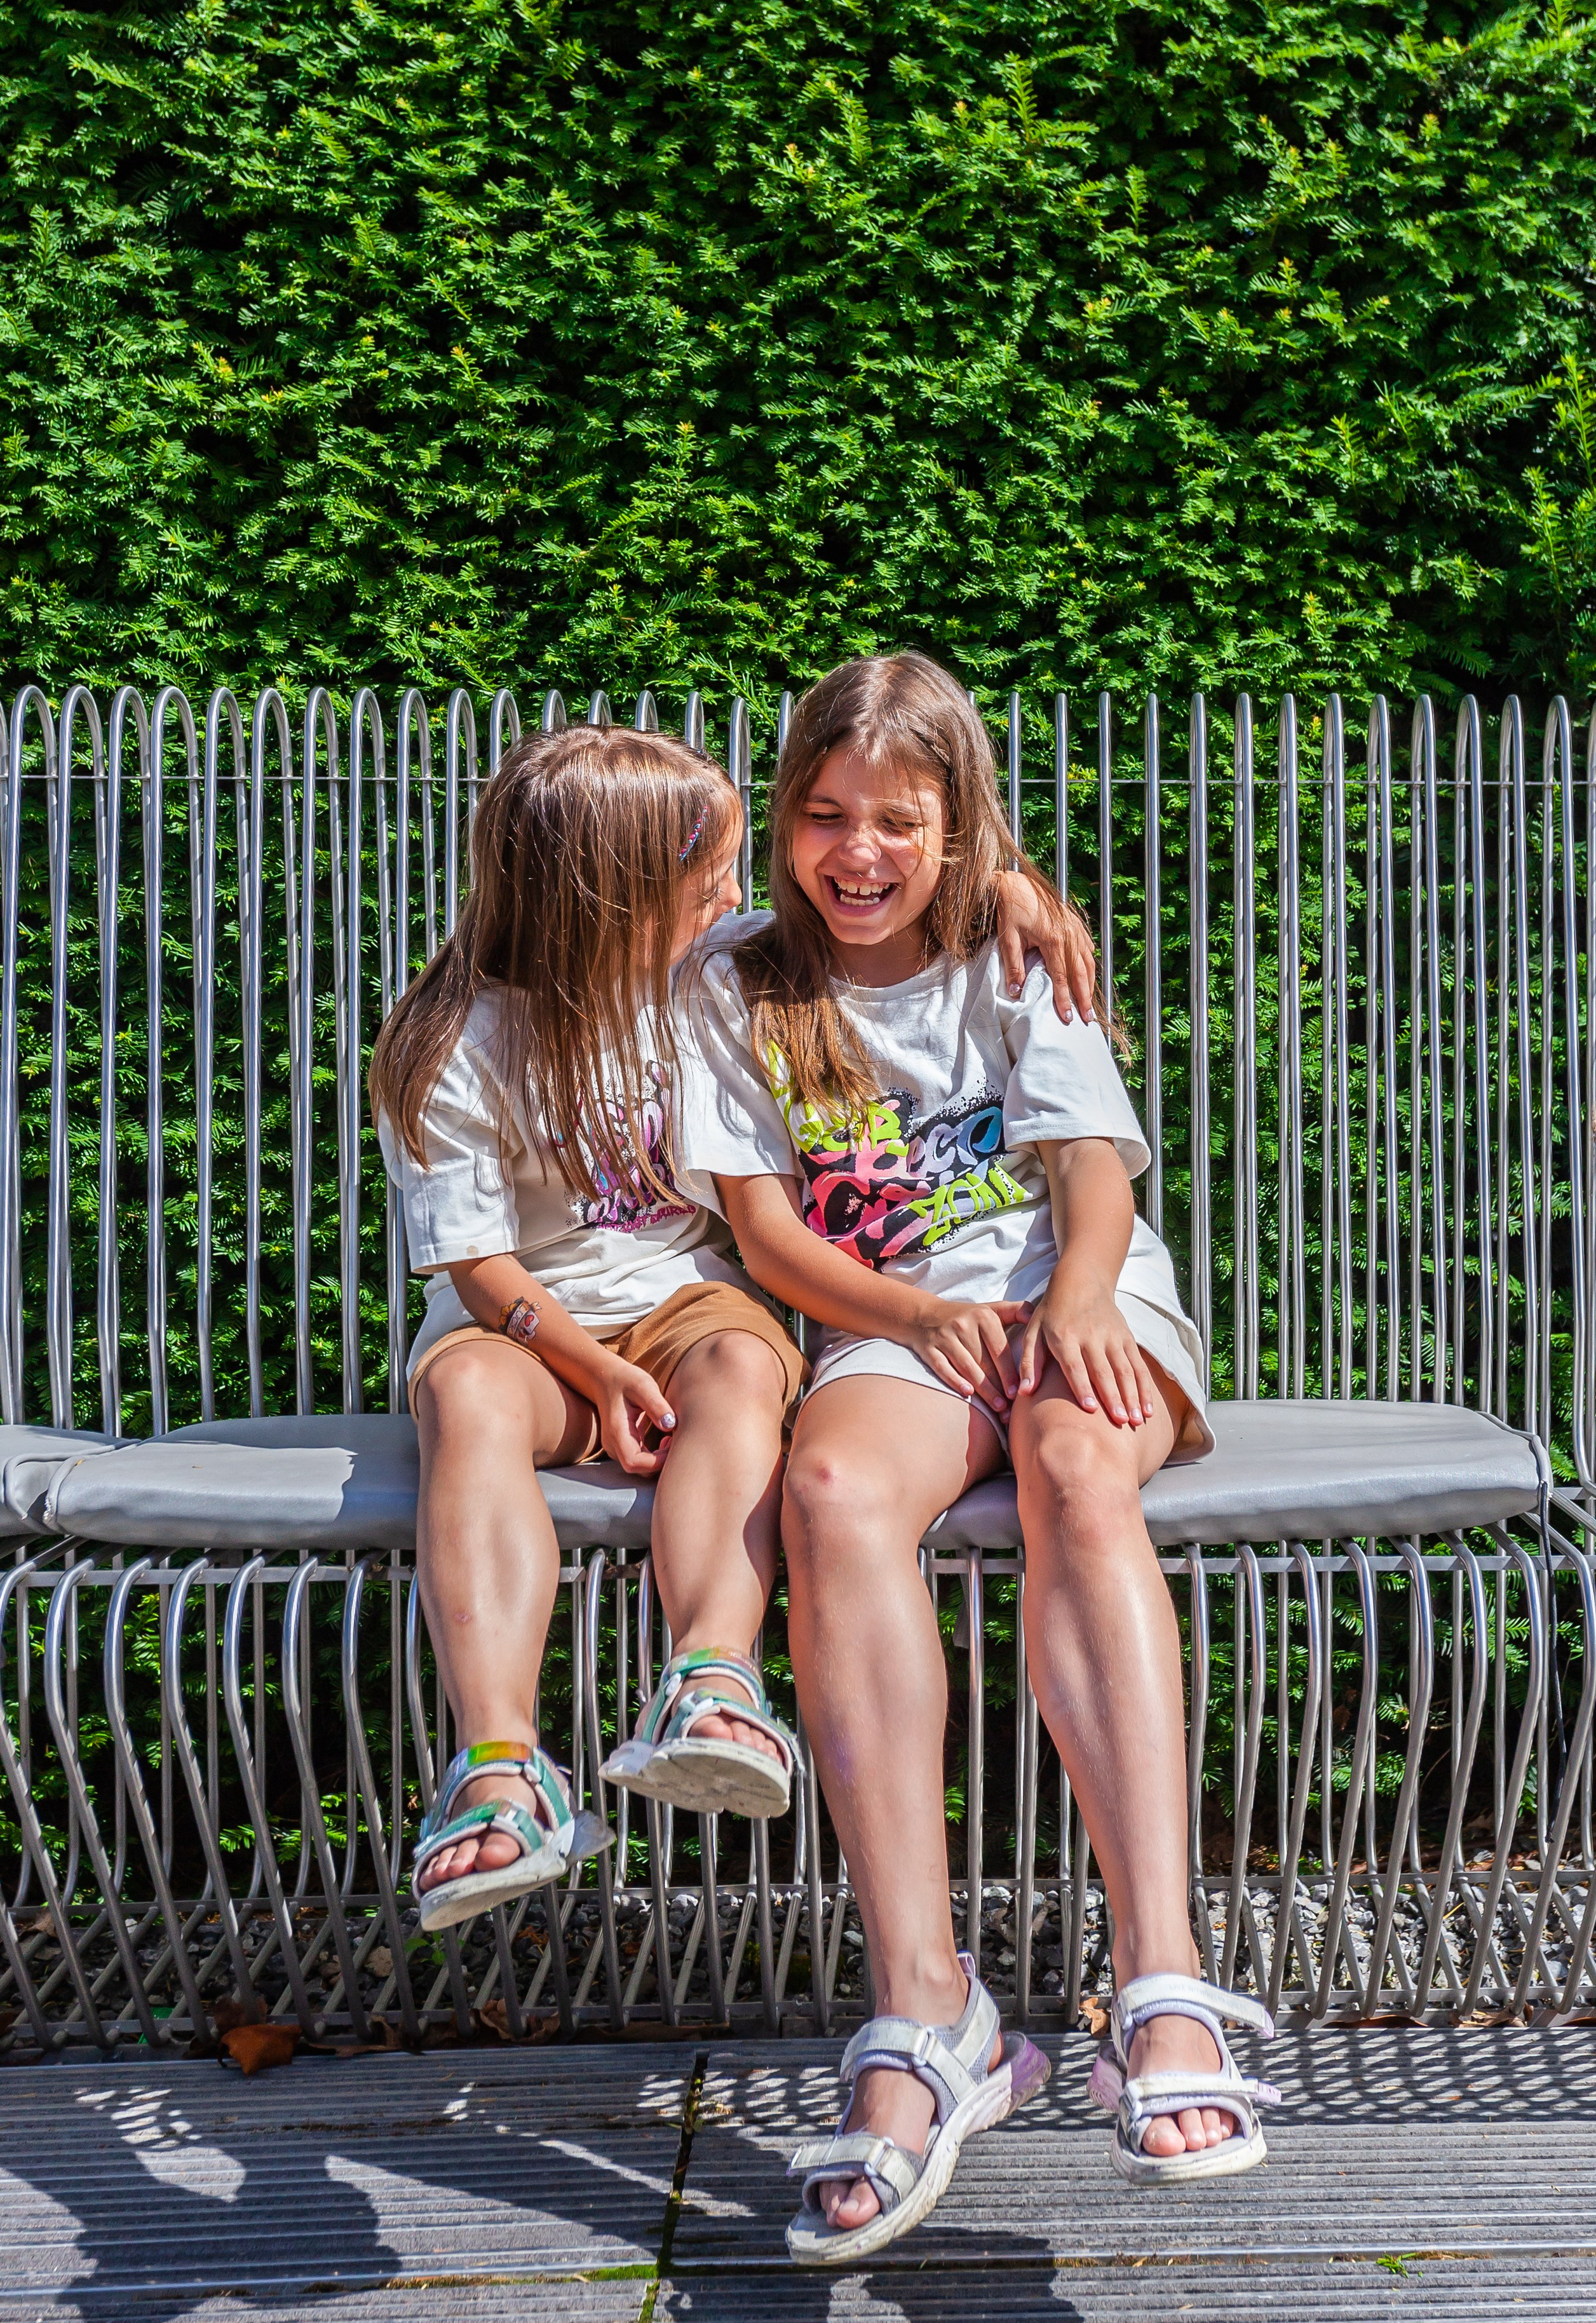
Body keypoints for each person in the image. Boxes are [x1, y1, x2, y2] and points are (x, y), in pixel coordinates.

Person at [675, 654, 1276, 2265]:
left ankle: (1159, 1988)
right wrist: (916, 1315)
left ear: (958, 829)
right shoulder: (734, 983)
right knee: (826, 1489)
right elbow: (766, 1237)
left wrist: (1071, 1299)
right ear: (783, 814)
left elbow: (1089, 1169)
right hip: (894, 1318)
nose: (857, 852)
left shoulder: (1014, 947)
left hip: (1079, 1292)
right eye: (824, 815)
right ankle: (926, 2014)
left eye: (898, 821)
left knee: (1075, 1460)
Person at [369, 718, 1097, 1938]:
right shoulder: (452, 1038)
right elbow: (479, 1266)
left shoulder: (709, 965)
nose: (731, 892)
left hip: (685, 1300)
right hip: (526, 1327)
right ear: (612, 895)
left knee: (739, 1364)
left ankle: (711, 1678)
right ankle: (500, 1766)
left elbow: (889, 900)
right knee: (464, 1395)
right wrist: (590, 1370)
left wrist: (1016, 888)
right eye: (706, 875)